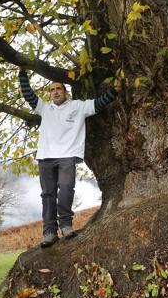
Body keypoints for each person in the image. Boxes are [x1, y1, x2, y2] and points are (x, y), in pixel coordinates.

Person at [18, 68, 118, 248]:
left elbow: (99, 103)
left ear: (65, 92)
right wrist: (22, 74)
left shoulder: (78, 106)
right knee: (47, 195)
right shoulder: (44, 108)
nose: (55, 92)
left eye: (59, 89)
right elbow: (28, 94)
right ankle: (49, 232)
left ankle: (66, 226)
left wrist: (115, 89)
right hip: (45, 157)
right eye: (52, 89)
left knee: (65, 189)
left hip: (67, 157)